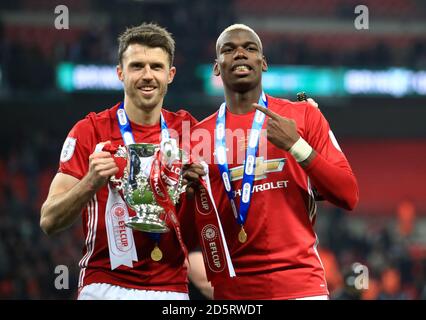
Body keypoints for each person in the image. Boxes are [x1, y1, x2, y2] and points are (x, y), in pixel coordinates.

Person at [189, 24, 359, 300]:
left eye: (250, 48)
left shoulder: (303, 117)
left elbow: (348, 194)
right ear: (217, 67)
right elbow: (191, 230)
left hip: (301, 286)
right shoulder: (199, 137)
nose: (240, 54)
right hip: (233, 293)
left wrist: (296, 145)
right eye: (229, 50)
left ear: (263, 63)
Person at [40, 23, 201, 300]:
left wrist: (200, 190)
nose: (147, 75)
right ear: (120, 72)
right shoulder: (90, 131)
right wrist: (90, 182)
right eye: (137, 66)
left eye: (156, 67)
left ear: (170, 74)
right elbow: (49, 220)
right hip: (103, 285)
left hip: (171, 289)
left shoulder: (189, 130)